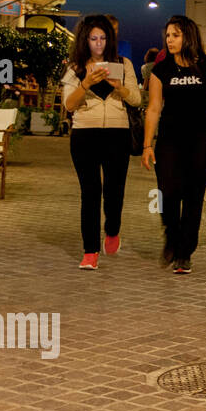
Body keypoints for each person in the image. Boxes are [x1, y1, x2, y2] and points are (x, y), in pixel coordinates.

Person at [143, 15, 206, 274]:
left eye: (176, 35)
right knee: (168, 193)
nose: (169, 40)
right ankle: (171, 234)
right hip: (169, 142)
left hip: (202, 142)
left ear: (188, 37)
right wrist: (147, 145)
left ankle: (184, 253)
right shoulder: (161, 70)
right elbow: (153, 108)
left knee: (193, 196)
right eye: (168, 35)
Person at [61, 15, 142, 269]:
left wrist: (119, 87)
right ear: (85, 40)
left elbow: (137, 101)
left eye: (103, 38)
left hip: (117, 134)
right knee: (90, 192)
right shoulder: (75, 67)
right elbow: (69, 105)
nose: (98, 44)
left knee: (114, 191)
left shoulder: (123, 63)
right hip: (85, 134)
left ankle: (113, 229)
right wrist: (85, 83)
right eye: (94, 39)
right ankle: (90, 251)